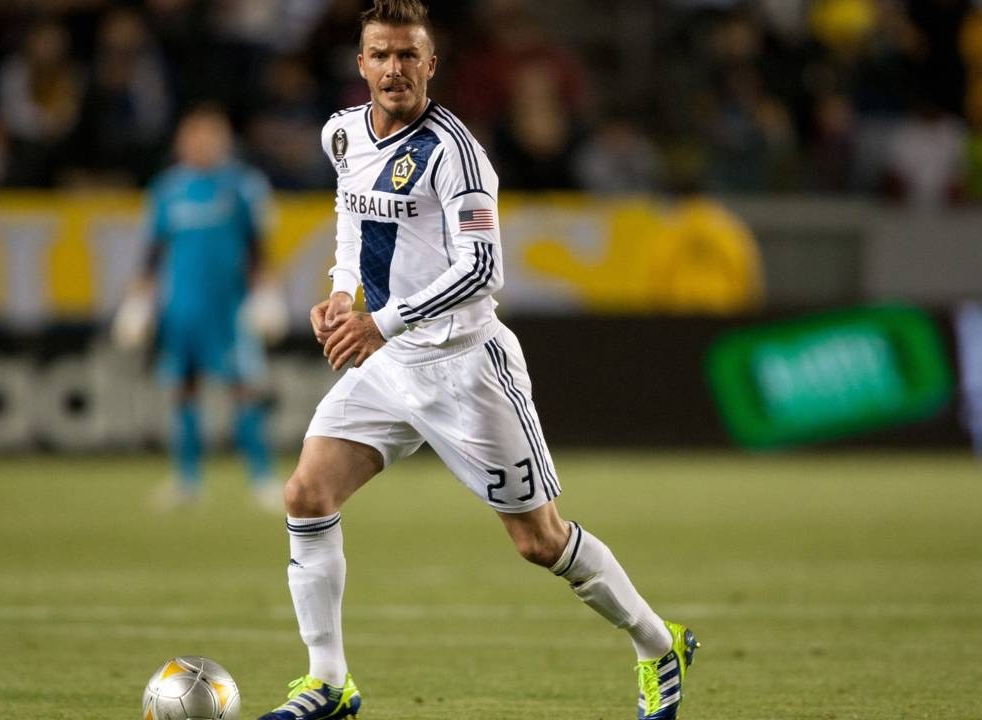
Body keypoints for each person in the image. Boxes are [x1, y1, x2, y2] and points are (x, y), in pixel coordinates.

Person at [259, 2, 700, 720]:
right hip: (389, 363)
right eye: (381, 55)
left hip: (467, 369)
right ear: (361, 64)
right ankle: (329, 683)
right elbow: (350, 219)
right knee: (307, 495)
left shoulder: (456, 153)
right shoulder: (342, 134)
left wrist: (382, 322)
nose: (394, 69)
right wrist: (343, 295)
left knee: (539, 540)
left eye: (409, 56)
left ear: (431, 65)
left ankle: (657, 644)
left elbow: (483, 269)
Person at [118, 104, 282, 511]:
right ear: (181, 141)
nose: (202, 144)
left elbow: (258, 250)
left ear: (225, 140)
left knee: (245, 391)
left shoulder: (243, 186)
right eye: (194, 135)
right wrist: (137, 302)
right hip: (183, 310)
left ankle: (262, 480)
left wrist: (265, 295)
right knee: (183, 392)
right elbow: (152, 255)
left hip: (229, 309)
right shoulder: (167, 190)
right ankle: (187, 481)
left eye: (211, 135)